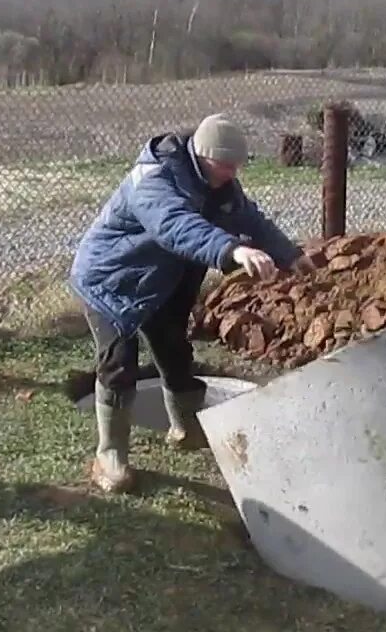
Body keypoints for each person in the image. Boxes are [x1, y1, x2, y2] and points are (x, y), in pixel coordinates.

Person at [69, 112, 316, 493]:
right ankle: (110, 456)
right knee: (119, 362)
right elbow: (176, 225)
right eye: (225, 166)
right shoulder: (153, 181)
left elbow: (248, 217)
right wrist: (232, 250)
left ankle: (184, 429)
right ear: (201, 155)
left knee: (175, 352)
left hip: (158, 281)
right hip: (112, 280)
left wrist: (288, 254)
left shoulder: (218, 182)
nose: (232, 174)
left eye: (237, 166)